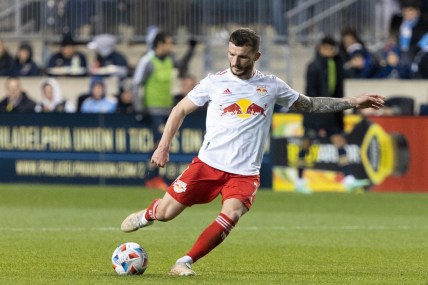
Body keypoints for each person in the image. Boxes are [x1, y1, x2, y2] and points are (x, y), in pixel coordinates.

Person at [120, 28, 385, 276]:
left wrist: (352, 101)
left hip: (245, 173)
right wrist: (163, 145)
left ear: (256, 56)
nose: (235, 61)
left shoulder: (272, 86)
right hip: (208, 164)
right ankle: (148, 214)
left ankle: (184, 262)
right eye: (232, 54)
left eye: (243, 57)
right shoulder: (214, 82)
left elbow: (311, 104)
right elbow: (180, 110)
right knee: (166, 214)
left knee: (232, 213)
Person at [132, 31, 197, 190]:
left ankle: (152, 176)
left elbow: (182, 66)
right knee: (159, 143)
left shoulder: (168, 60)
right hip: (152, 110)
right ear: (160, 44)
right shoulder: (147, 61)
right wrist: (140, 109)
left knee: (162, 143)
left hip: (166, 109)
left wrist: (191, 50)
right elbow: (136, 84)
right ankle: (152, 178)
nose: (171, 46)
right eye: (169, 43)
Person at [389, 0, 428, 73]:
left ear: (417, 12)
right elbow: (392, 41)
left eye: (411, 11)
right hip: (400, 54)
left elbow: (421, 46)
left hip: (416, 55)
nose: (408, 13)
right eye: (406, 11)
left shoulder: (424, 24)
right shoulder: (398, 22)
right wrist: (392, 52)